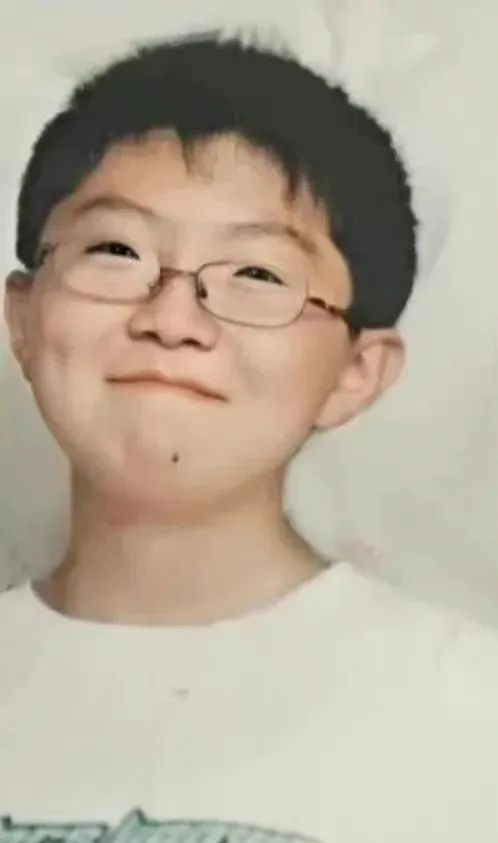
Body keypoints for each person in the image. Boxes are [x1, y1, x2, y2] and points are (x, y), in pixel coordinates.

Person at [1, 33, 497, 843]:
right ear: (23, 316)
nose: (171, 319)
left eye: (257, 274)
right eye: (117, 250)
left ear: (356, 372)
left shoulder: (471, 714)